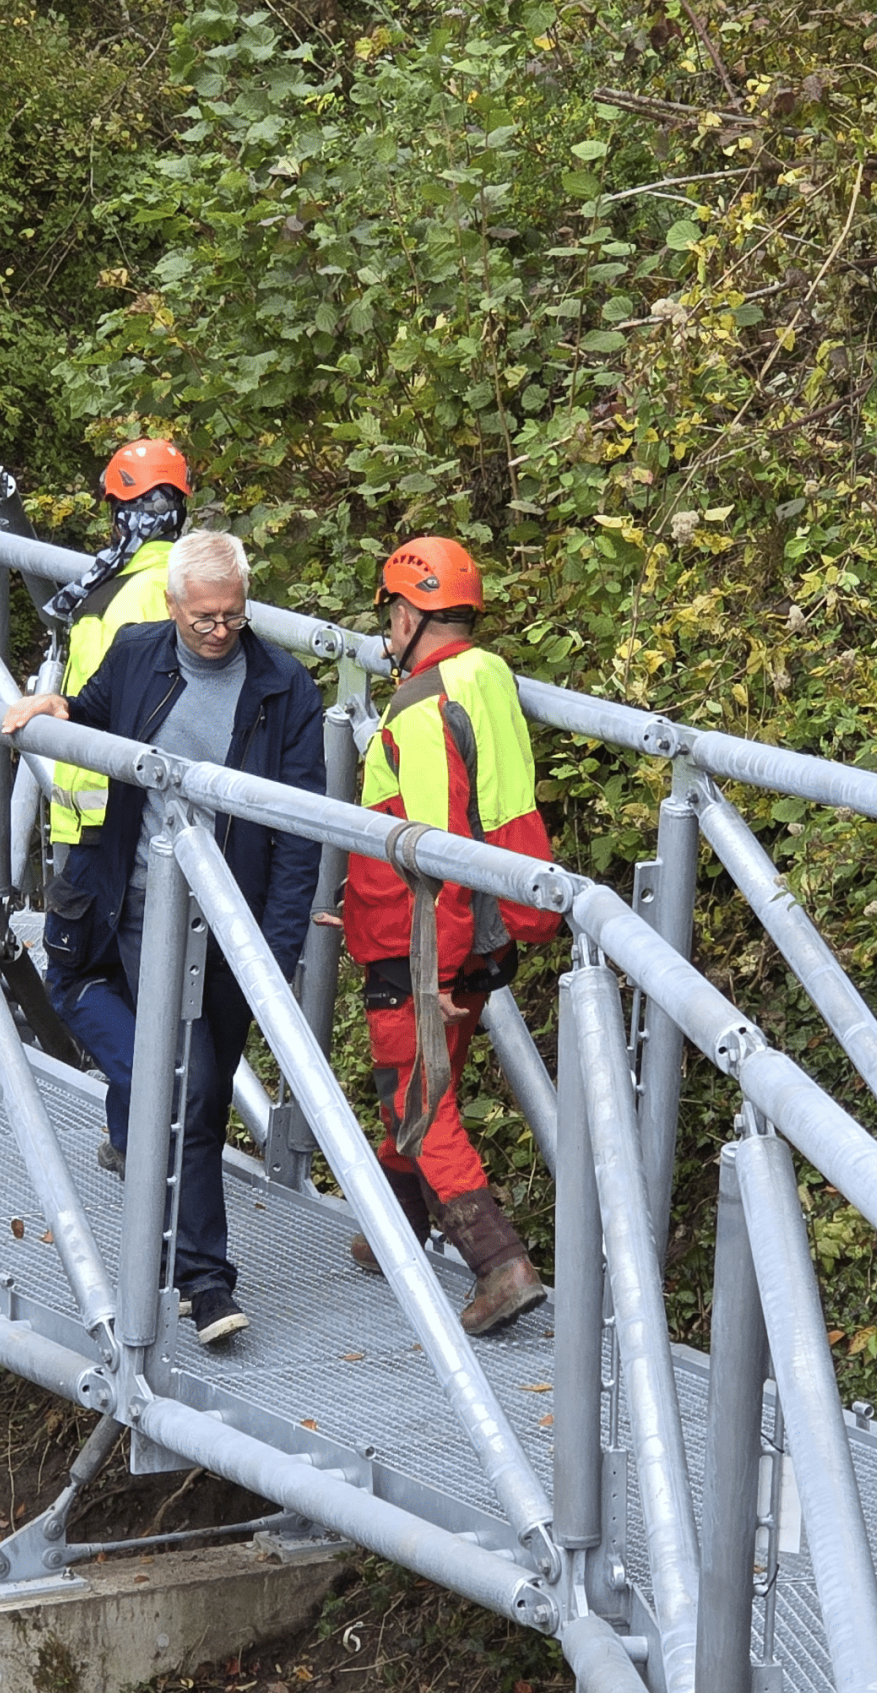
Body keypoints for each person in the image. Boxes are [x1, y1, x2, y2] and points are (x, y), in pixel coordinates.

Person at [2, 531, 326, 1345]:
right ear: (174, 606)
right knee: (181, 1082)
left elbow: (297, 840)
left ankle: (170, 1253)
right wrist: (58, 706)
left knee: (203, 1094)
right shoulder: (143, 648)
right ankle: (207, 1279)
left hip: (224, 921)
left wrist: (273, 957)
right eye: (202, 618)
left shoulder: (283, 689)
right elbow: (100, 709)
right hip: (133, 902)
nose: (218, 632)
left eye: (231, 616)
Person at [334, 537, 559, 1335]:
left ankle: (499, 1263)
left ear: (405, 614)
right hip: (489, 919)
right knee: (420, 1085)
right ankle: (392, 1225)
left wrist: (433, 968)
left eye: (390, 616)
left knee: (417, 1097)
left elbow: (436, 855)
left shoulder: (421, 706)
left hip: (423, 934)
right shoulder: (488, 675)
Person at [40, 439, 192, 853]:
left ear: (119, 515)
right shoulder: (188, 585)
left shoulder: (111, 593)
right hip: (148, 810)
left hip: (106, 817)